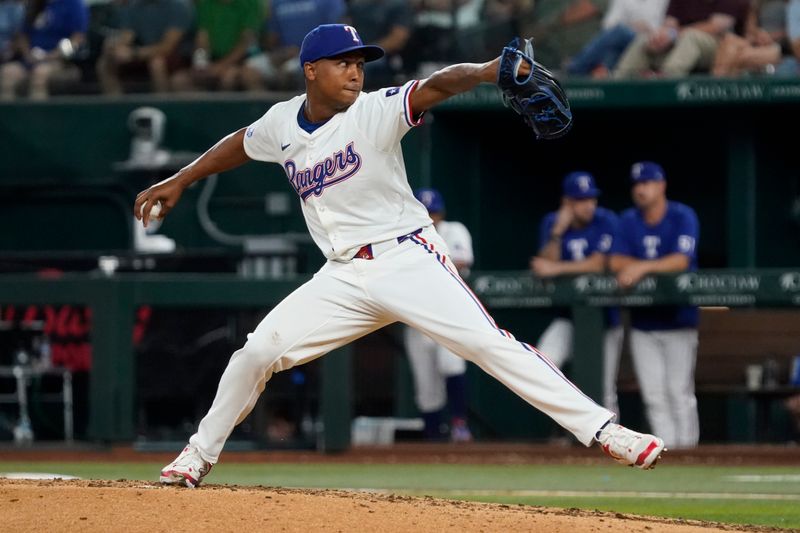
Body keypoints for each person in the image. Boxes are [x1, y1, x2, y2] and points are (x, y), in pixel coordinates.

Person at [134, 23, 666, 488]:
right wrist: (181, 179)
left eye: (360, 63)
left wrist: (486, 70)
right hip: (341, 275)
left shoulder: (374, 112)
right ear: (311, 70)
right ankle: (197, 456)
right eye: (343, 63)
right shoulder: (281, 123)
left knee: (488, 344)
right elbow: (241, 141)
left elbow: (435, 86)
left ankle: (606, 431)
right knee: (255, 353)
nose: (355, 72)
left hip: (407, 258)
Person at [609, 161, 700, 449]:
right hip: (642, 322)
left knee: (679, 391)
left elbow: (681, 260)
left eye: (647, 183)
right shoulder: (627, 219)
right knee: (654, 394)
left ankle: (688, 451)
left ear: (661, 185)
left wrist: (642, 268)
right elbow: (615, 261)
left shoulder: (682, 215)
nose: (641, 189)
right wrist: (637, 267)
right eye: (637, 184)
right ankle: (668, 452)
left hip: (679, 319)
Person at [531, 171, 623, 417]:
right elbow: (543, 267)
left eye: (591, 199)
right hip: (568, 316)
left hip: (605, 317)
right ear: (567, 203)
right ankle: (567, 430)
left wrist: (558, 268)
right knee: (544, 364)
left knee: (604, 388)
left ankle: (613, 443)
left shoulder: (607, 219)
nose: (588, 205)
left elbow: (602, 263)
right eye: (581, 200)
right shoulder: (553, 223)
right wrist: (558, 232)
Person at [404, 187, 474, 442]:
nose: (430, 219)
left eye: (433, 213)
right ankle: (432, 440)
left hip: (448, 313)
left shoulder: (454, 230)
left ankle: (460, 424)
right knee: (425, 386)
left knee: (451, 363)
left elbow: (463, 260)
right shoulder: (403, 235)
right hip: (415, 317)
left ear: (441, 213)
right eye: (424, 213)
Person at [613, 0, 751, 78]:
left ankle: (666, 82)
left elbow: (716, 26)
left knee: (691, 37)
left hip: (724, 48)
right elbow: (670, 23)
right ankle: (617, 84)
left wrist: (673, 34)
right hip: (682, 44)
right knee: (645, 39)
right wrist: (661, 36)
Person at [241, 0, 346, 91]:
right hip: (283, 54)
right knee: (250, 69)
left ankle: (297, 111)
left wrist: (304, 51)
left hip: (316, 56)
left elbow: (337, 36)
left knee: (288, 72)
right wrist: (280, 54)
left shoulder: (329, 2)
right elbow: (271, 40)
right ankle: (265, 110)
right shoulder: (276, 3)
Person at [95, 0, 192, 95]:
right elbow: (127, 36)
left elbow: (167, 47)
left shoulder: (178, 7)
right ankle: (115, 105)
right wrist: (115, 47)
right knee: (104, 63)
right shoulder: (133, 6)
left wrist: (134, 53)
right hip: (143, 52)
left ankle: (162, 106)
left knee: (157, 63)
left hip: (175, 55)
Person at [0, 0, 88, 100]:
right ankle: (7, 115)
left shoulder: (73, 4)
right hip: (30, 59)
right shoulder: (35, 3)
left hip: (60, 61)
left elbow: (77, 39)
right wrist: (28, 54)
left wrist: (52, 55)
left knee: (40, 73)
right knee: (7, 73)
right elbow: (23, 36)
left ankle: (38, 115)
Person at [170, 0, 263, 92]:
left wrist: (221, 66)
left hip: (244, 60)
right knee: (179, 81)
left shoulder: (251, 3)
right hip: (213, 59)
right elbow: (202, 38)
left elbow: (245, 43)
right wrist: (202, 64)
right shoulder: (205, 4)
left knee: (230, 78)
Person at [565, 0, 669, 78]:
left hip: (651, 38)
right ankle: (604, 75)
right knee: (616, 39)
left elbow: (665, 26)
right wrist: (632, 26)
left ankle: (576, 67)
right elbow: (608, 25)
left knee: (619, 33)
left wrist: (646, 27)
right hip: (625, 37)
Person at [712, 0, 790, 77]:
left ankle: (718, 84)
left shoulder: (791, 3)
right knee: (729, 40)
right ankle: (717, 83)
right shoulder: (759, 3)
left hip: (779, 46)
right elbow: (750, 28)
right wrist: (758, 34)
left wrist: (770, 36)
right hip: (758, 41)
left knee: (741, 56)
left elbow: (793, 32)